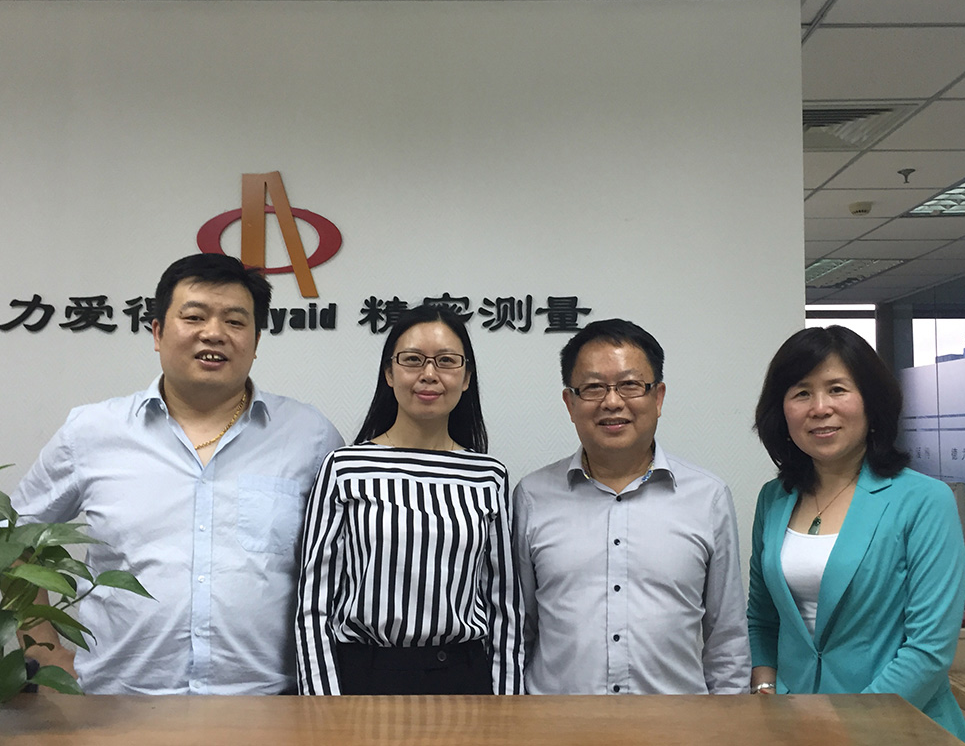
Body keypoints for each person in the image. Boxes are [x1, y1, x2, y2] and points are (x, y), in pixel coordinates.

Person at [10, 253, 344, 695]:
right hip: (115, 704)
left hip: (268, 706)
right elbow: (12, 539)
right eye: (194, 317)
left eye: (235, 321)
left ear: (256, 341)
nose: (214, 333)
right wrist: (46, 651)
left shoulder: (309, 436)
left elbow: (349, 563)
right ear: (157, 332)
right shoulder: (91, 431)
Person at [748, 325, 965, 745]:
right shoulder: (774, 499)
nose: (820, 408)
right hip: (794, 727)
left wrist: (845, 729)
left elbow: (929, 650)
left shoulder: (924, 501)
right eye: (801, 393)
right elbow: (762, 618)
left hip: (900, 728)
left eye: (837, 389)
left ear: (871, 402)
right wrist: (765, 690)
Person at [512, 319, 749, 695]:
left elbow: (727, 640)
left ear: (658, 397)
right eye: (593, 387)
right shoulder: (532, 496)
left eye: (630, 385)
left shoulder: (708, 498)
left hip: (676, 723)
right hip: (558, 722)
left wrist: (730, 720)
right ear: (570, 403)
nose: (612, 402)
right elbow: (517, 631)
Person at [296, 305, 522, 695]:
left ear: (467, 377)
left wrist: (508, 705)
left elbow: (505, 607)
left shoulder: (488, 476)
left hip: (463, 678)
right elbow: (313, 604)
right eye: (413, 360)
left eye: (446, 361)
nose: (429, 374)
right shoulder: (345, 468)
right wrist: (321, 705)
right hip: (364, 678)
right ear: (389, 373)